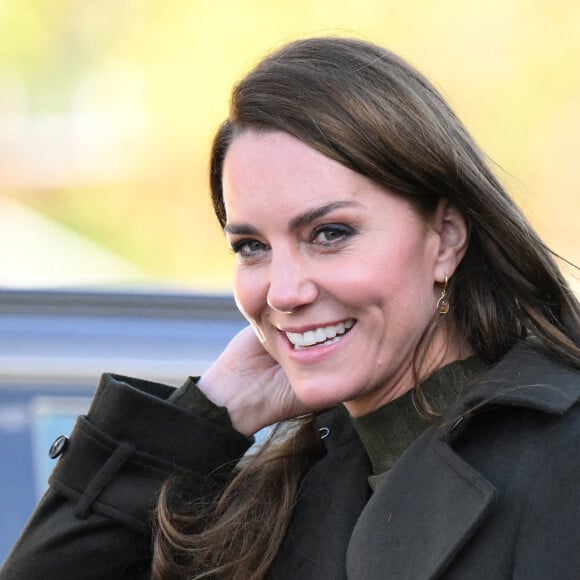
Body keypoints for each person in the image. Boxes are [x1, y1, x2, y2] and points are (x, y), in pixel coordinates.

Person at [2, 36, 579, 580]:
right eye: (252, 247)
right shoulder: (285, 491)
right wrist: (204, 416)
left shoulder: (562, 464)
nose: (282, 293)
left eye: (329, 233)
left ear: (446, 238)